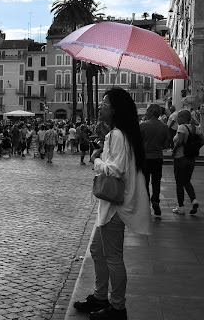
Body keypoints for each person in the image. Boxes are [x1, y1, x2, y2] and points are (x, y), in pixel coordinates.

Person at [74, 88, 151, 320]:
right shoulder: (118, 134)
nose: (100, 106)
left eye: (105, 103)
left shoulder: (118, 136)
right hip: (111, 207)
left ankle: (118, 308)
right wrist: (104, 142)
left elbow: (114, 171)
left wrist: (97, 159)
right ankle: (100, 297)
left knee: (113, 256)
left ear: (115, 109)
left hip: (116, 207)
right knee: (98, 250)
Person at [139, 104, 170, 216]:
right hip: (158, 157)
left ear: (151, 112)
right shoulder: (164, 127)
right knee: (156, 182)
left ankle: (146, 203)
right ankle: (156, 201)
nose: (145, 113)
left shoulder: (143, 126)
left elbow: (137, 143)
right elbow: (166, 144)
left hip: (146, 158)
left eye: (147, 111)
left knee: (145, 182)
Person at [171, 109, 200, 215]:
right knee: (186, 181)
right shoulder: (195, 128)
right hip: (191, 158)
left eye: (179, 117)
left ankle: (181, 206)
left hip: (180, 157)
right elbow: (202, 140)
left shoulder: (182, 127)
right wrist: (194, 148)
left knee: (179, 182)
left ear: (184, 118)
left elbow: (180, 140)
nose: (177, 119)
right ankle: (194, 200)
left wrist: (174, 151)